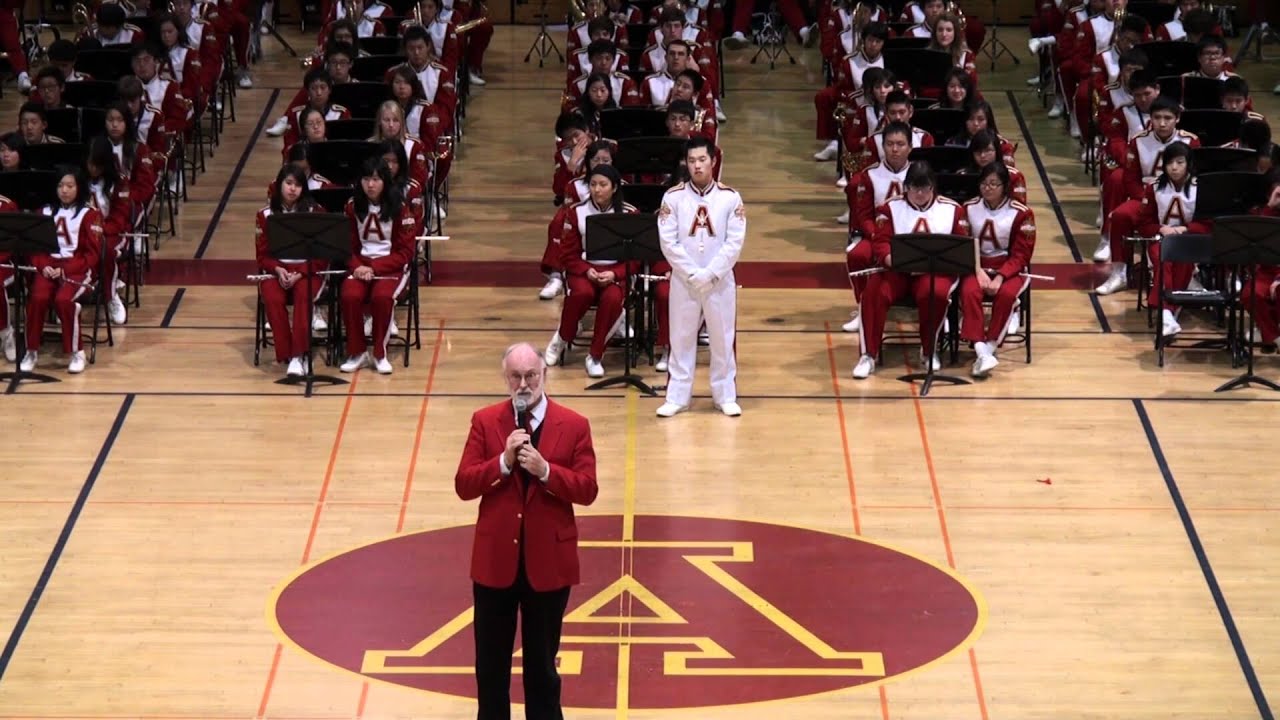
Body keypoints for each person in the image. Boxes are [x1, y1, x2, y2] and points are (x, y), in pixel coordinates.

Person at [454, 341, 598, 720]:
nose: (524, 384)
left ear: (544, 375)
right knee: (490, 668)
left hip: (548, 566)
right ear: (505, 379)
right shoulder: (485, 421)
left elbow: (588, 489)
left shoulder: (576, 425)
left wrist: (547, 471)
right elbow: (464, 485)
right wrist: (501, 462)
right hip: (495, 563)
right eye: (515, 376)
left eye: (531, 375)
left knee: (542, 670)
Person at [853, 160, 968, 379]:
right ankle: (868, 354)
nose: (920, 193)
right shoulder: (889, 208)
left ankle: (928, 350)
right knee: (874, 291)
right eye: (915, 188)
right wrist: (892, 260)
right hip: (897, 270)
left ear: (933, 187)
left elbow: (961, 246)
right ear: (906, 187)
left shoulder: (952, 210)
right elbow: (880, 243)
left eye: (925, 188)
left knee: (935, 294)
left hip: (934, 272)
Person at [656, 136, 745, 417]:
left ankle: (724, 394)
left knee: (722, 338)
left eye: (702, 160)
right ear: (686, 163)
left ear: (713, 161)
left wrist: (711, 272)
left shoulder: (730, 198)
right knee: (681, 339)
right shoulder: (672, 197)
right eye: (692, 160)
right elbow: (668, 242)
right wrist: (693, 273)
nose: (697, 166)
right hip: (685, 281)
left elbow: (734, 242)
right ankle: (678, 396)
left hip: (719, 282)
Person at [543, 165, 637, 378]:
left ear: (614, 188)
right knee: (582, 293)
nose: (597, 190)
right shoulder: (576, 212)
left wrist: (615, 274)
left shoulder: (630, 213)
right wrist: (587, 271)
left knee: (612, 298)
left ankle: (595, 355)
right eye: (593, 184)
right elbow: (568, 255)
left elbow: (635, 258)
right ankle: (561, 338)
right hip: (584, 270)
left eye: (603, 185)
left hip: (615, 272)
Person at [21, 168, 104, 375]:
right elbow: (35, 248)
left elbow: (92, 255)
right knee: (37, 298)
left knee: (64, 300)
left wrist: (65, 269)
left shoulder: (90, 214)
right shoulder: (45, 212)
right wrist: (43, 266)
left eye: (70, 186)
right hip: (49, 266)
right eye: (60, 186)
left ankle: (77, 352)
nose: (64, 190)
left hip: (77, 269)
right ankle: (31, 350)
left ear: (79, 187)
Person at [960, 162, 1036, 377]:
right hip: (976, 265)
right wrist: (977, 270)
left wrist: (1001, 276)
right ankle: (980, 349)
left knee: (1007, 295)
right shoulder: (968, 207)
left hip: (1009, 266)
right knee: (968, 292)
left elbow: (1022, 253)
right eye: (984, 183)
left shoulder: (1022, 213)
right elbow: (963, 242)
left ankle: (989, 347)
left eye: (994, 184)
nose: (988, 188)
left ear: (1005, 186)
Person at [339, 158, 415, 374]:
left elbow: (405, 252)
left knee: (382, 297)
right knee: (349, 295)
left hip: (390, 267)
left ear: (385, 181)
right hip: (361, 266)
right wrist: (356, 266)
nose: (370, 185)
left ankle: (380, 353)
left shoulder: (400, 208)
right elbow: (347, 245)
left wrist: (376, 267)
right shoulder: (352, 206)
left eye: (375, 179)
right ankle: (357, 351)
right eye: (366, 179)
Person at [257, 165, 327, 377]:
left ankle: (299, 355)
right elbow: (262, 255)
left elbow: (323, 255)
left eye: (297, 185)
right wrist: (278, 269)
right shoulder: (265, 215)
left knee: (303, 296)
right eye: (288, 183)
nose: (292, 189)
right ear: (279, 186)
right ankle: (286, 354)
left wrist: (301, 272)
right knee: (271, 296)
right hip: (278, 271)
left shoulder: (316, 212)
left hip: (308, 272)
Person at [1246, 171, 1280, 349]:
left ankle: (1266, 333)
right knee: (1250, 293)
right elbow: (1255, 238)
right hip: (1266, 270)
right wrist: (1270, 206)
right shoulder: (1259, 213)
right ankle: (1274, 337)